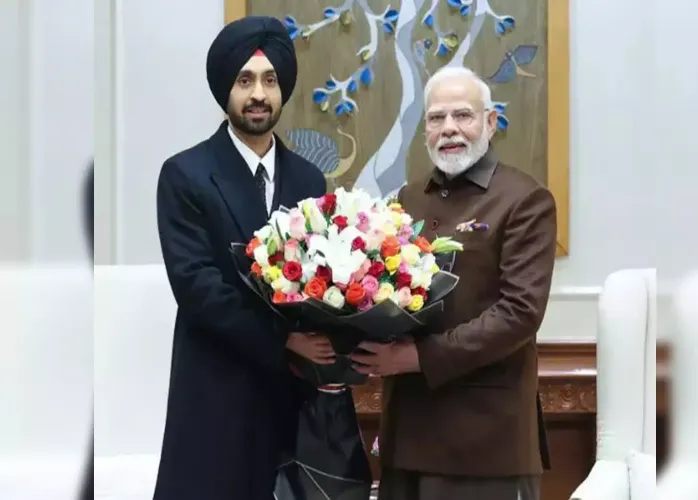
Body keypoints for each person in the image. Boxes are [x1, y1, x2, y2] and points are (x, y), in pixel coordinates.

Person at [351, 66, 556, 500]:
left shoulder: (525, 199)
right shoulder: (407, 199)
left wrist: (418, 357)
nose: (449, 129)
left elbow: (519, 314)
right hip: (406, 434)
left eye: (462, 115)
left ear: (490, 122)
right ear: (424, 129)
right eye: (436, 118)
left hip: (485, 444)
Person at [153, 16, 336, 500]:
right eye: (245, 80)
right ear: (225, 89)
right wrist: (285, 340)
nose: (259, 94)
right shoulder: (185, 174)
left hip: (293, 399)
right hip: (216, 391)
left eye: (271, 80)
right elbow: (198, 287)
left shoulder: (310, 181)